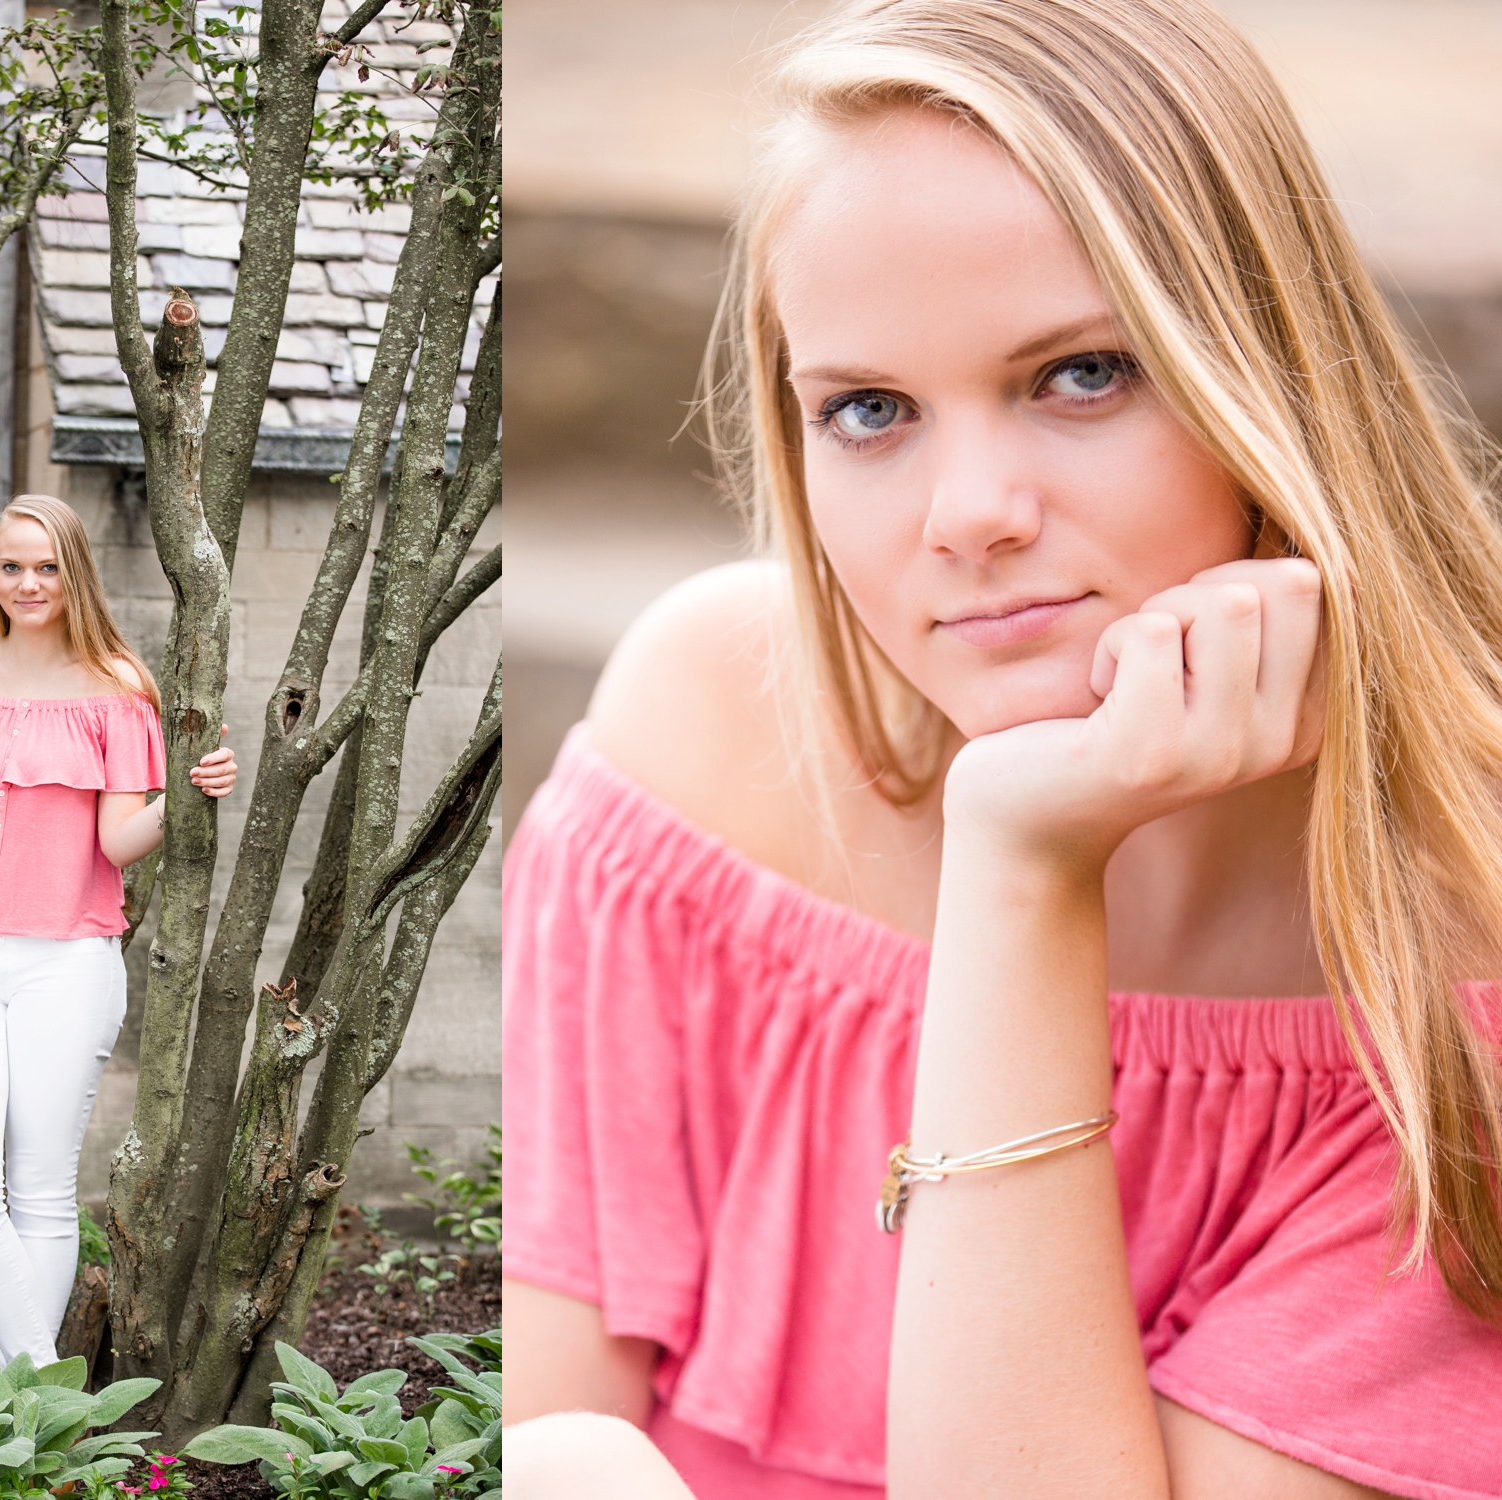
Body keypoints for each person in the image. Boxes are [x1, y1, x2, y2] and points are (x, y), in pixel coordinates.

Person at [501, 1, 1502, 1496]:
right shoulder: (709, 726)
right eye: (870, 409)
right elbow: (536, 1414)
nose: (971, 512)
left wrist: (1027, 864)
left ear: (1270, 373)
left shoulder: (1456, 977)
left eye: (1081, 374)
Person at [0, 493, 236, 1370]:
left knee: (44, 1193)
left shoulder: (118, 686)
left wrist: (186, 796)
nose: (28, 583)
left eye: (47, 566)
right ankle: (47, 1382)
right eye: (12, 566)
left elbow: (118, 842)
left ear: (74, 572)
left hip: (69, 962)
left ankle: (23, 1412)